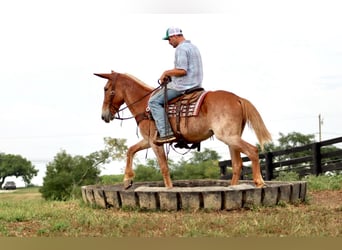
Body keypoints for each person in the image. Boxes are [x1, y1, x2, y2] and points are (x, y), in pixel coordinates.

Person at [148, 27, 203, 145]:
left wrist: (166, 73)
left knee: (153, 101)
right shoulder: (193, 47)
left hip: (183, 86)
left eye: (169, 39)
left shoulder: (181, 49)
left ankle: (166, 133)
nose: (169, 42)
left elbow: (182, 71)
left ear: (174, 36)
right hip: (196, 84)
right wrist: (171, 76)